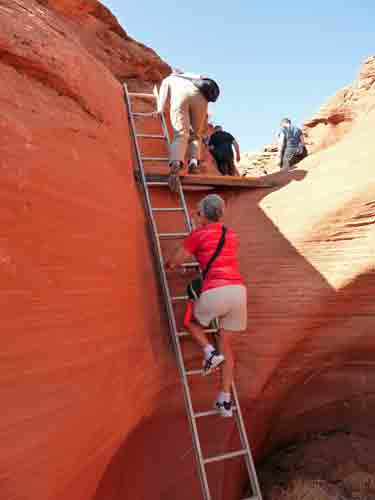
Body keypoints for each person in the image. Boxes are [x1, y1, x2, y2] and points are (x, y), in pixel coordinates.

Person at [165, 194, 247, 417]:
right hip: (238, 292)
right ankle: (225, 399)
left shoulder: (198, 235)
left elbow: (175, 261)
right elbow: (219, 258)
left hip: (216, 290)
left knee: (191, 322)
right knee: (227, 346)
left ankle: (209, 353)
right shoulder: (232, 235)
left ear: (203, 213)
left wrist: (172, 264)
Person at [157, 69, 209, 191]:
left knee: (181, 134)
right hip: (200, 97)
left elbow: (163, 96)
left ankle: (175, 163)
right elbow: (204, 79)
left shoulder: (169, 79)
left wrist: (159, 109)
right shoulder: (193, 76)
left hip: (180, 98)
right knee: (196, 135)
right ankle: (193, 163)